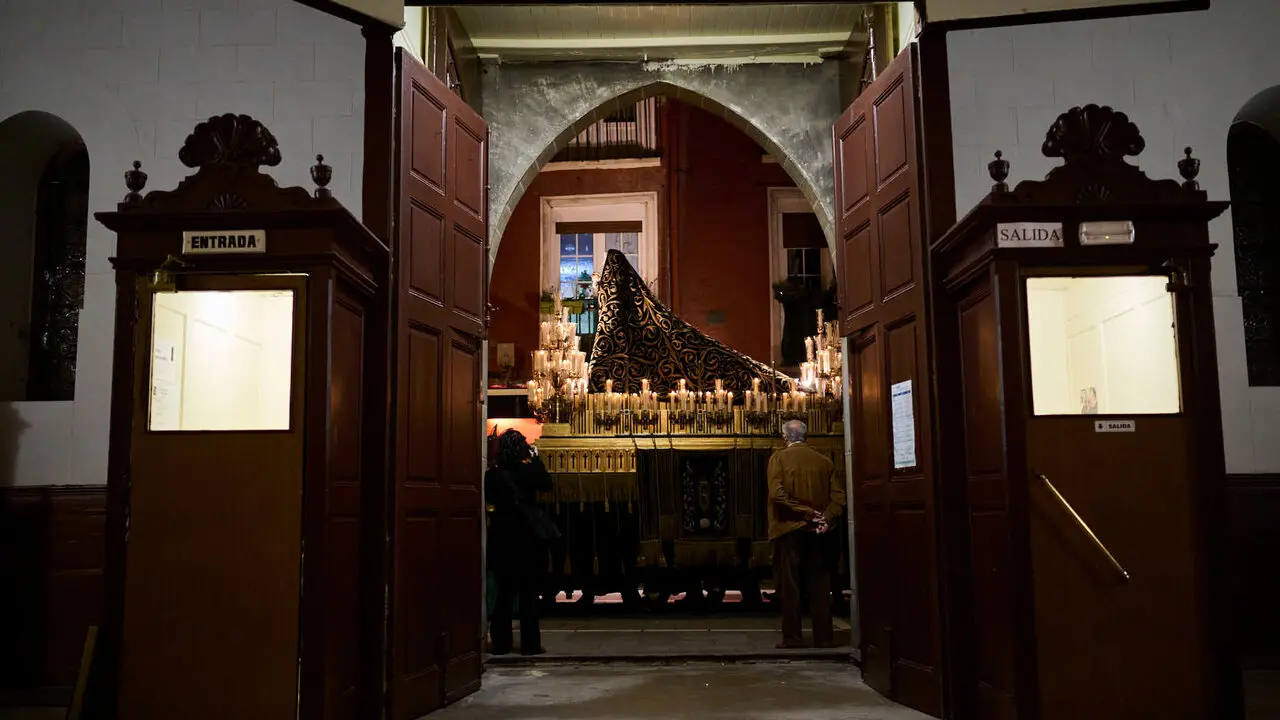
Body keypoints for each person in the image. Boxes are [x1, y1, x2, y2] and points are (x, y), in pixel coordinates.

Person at [768, 419, 846, 649]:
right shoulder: (823, 462)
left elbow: (777, 495)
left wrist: (807, 513)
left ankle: (793, 637)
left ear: (785, 437)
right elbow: (839, 498)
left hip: (789, 530)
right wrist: (826, 518)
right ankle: (824, 637)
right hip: (819, 533)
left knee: (790, 587)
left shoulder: (778, 459)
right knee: (821, 586)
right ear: (806, 436)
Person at [486, 429, 557, 656]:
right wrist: (535, 459)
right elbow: (547, 483)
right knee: (528, 593)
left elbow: (489, 500)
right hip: (526, 536)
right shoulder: (529, 471)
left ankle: (501, 644)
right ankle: (530, 644)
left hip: (501, 535)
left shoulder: (492, 475)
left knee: (504, 593)